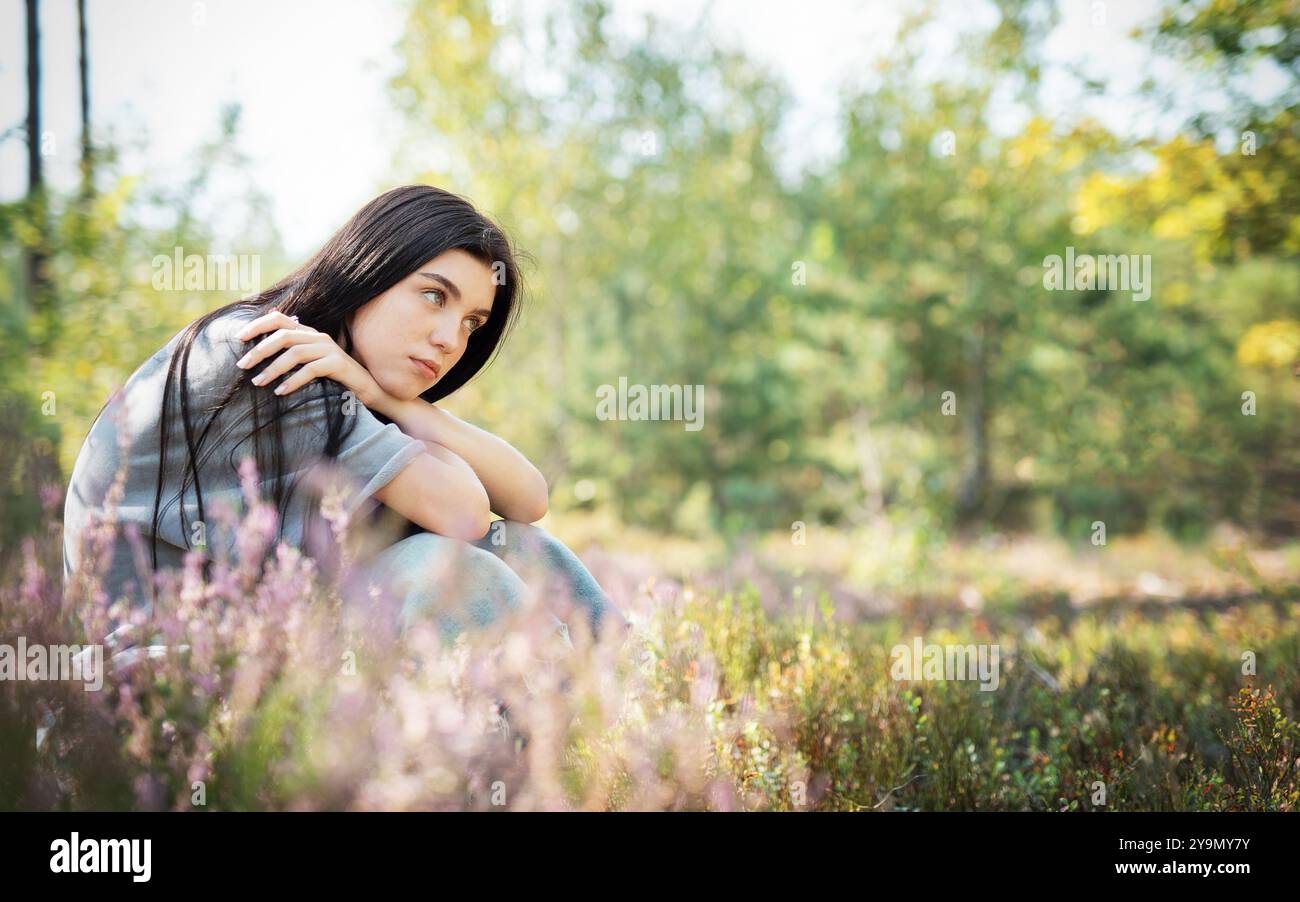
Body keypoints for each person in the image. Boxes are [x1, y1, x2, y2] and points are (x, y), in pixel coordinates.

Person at [62, 184, 628, 655]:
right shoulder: (268, 355)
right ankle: (567, 745)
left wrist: (392, 402)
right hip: (163, 680)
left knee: (519, 544)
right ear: (367, 273)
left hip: (257, 652)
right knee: (447, 566)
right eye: (434, 297)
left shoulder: (343, 379)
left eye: (472, 322)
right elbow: (465, 512)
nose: (450, 339)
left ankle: (623, 710)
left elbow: (528, 499)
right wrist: (376, 398)